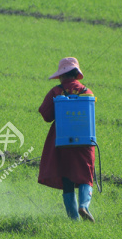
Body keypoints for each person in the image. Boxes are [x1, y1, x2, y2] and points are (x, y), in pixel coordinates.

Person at [37, 57, 96, 222]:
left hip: (62, 141)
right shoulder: (87, 92)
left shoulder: (56, 92)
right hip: (84, 140)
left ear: (61, 76)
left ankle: (74, 220)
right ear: (77, 74)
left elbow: (46, 114)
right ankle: (84, 205)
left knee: (67, 178)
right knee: (86, 175)